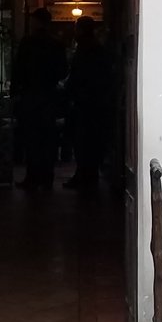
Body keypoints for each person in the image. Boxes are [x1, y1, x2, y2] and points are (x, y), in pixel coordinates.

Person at [11, 8, 66, 190]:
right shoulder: (56, 44)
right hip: (48, 95)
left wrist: (15, 90)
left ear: (36, 22)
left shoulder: (28, 42)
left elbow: (18, 68)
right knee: (48, 138)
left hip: (31, 94)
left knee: (32, 137)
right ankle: (47, 176)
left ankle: (33, 176)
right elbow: (63, 70)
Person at [62, 16, 113, 191]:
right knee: (91, 143)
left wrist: (69, 92)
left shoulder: (85, 50)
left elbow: (78, 76)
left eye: (77, 28)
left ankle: (86, 177)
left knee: (84, 143)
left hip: (85, 104)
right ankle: (87, 176)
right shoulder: (97, 49)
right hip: (96, 103)